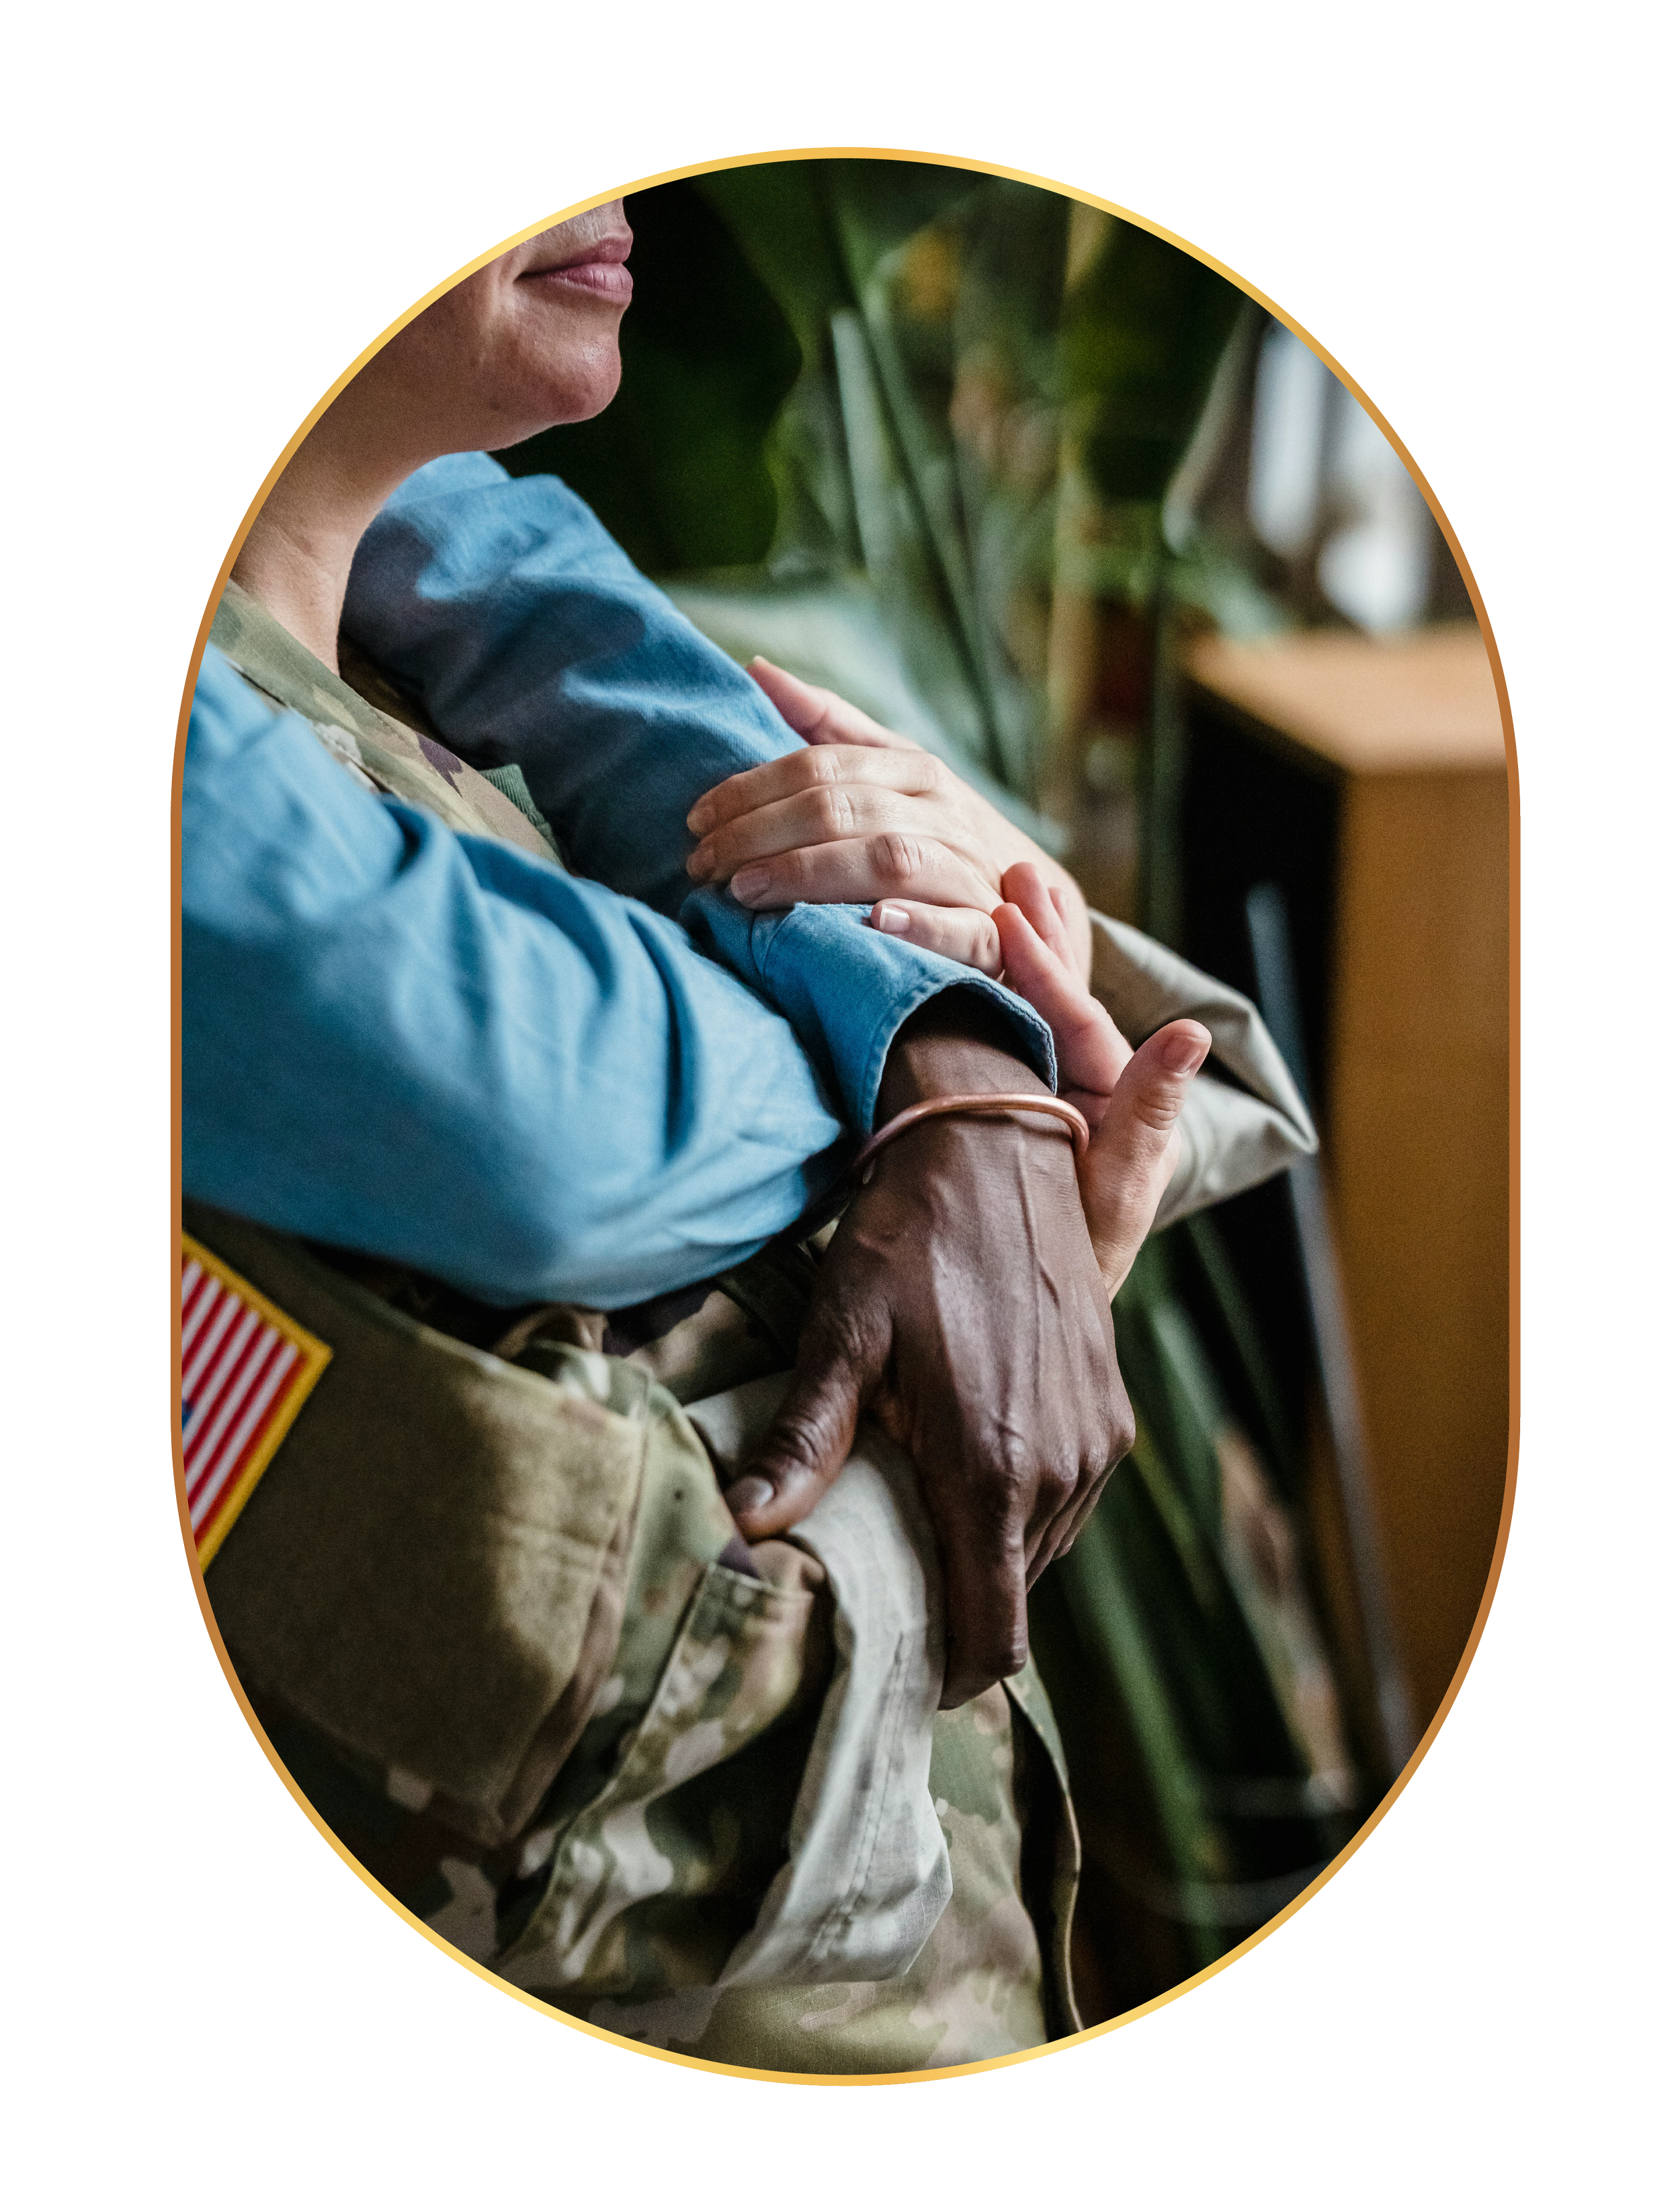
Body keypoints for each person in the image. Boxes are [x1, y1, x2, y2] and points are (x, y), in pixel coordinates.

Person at [180, 201, 1304, 2070]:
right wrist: (951, 1097)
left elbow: (498, 552)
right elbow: (551, 1121)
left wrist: (944, 1048)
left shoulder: (435, 609)